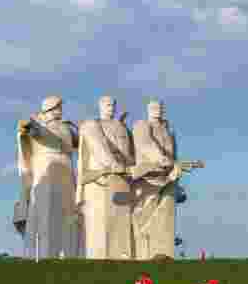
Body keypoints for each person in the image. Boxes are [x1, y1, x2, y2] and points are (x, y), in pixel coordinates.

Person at [131, 99, 202, 259]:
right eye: (154, 107)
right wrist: (162, 159)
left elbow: (173, 153)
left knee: (165, 213)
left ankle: (161, 251)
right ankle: (142, 252)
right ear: (148, 110)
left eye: (160, 108)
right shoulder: (142, 125)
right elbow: (145, 145)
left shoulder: (167, 129)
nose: (158, 110)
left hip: (168, 176)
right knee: (144, 212)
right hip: (149, 177)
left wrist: (177, 167)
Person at [15, 96, 80, 258]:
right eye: (57, 107)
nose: (60, 110)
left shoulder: (66, 126)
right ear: (50, 109)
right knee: (46, 211)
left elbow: (79, 142)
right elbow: (36, 132)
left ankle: (70, 254)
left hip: (65, 167)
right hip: (46, 166)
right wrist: (29, 127)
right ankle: (45, 255)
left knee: (69, 212)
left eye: (60, 107)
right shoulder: (38, 123)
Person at [76, 96, 135, 259]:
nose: (111, 107)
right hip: (101, 179)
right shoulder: (92, 125)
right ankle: (99, 257)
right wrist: (113, 165)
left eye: (113, 105)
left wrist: (132, 168)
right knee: (100, 224)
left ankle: (123, 256)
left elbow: (130, 154)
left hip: (123, 178)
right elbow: (98, 149)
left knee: (122, 222)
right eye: (107, 105)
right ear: (100, 106)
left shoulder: (121, 127)